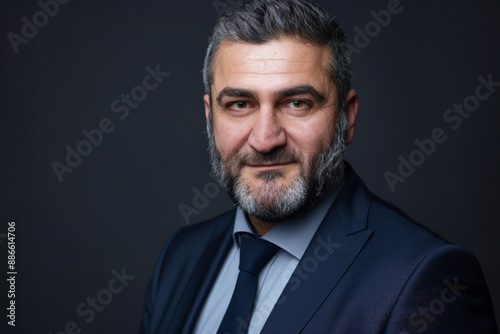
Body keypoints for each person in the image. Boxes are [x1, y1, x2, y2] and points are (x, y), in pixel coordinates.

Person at [139, 0, 498, 333]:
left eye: (297, 103)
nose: (266, 139)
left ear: (347, 116)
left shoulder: (425, 278)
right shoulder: (180, 256)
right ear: (210, 117)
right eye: (239, 104)